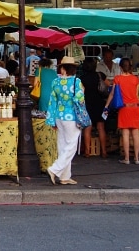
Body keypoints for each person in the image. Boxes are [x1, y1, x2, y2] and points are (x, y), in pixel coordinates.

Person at [45, 56, 85, 185]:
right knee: (71, 145)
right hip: (72, 117)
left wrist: (51, 120)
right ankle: (55, 169)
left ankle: (65, 176)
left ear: (62, 68)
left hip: (58, 116)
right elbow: (79, 99)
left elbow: (52, 102)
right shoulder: (76, 82)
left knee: (62, 146)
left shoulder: (56, 82)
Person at [104, 58, 139, 164]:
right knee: (135, 134)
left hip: (124, 108)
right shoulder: (135, 79)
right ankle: (137, 159)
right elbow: (137, 95)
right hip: (135, 107)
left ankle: (127, 158)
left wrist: (107, 105)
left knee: (125, 134)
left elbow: (112, 94)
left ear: (120, 67)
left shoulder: (117, 79)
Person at [80, 57, 108, 158]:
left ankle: (87, 152)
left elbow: (80, 92)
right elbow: (108, 85)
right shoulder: (100, 75)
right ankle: (104, 152)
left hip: (87, 104)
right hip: (99, 103)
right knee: (101, 127)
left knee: (88, 128)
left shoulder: (82, 78)